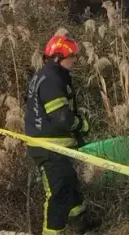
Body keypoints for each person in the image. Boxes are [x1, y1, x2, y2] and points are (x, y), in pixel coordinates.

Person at [24, 34, 93, 235]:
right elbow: (61, 117)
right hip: (49, 147)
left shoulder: (46, 75)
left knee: (70, 185)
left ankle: (80, 224)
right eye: (72, 56)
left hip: (55, 145)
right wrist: (81, 125)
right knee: (58, 192)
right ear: (58, 56)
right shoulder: (52, 78)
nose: (75, 60)